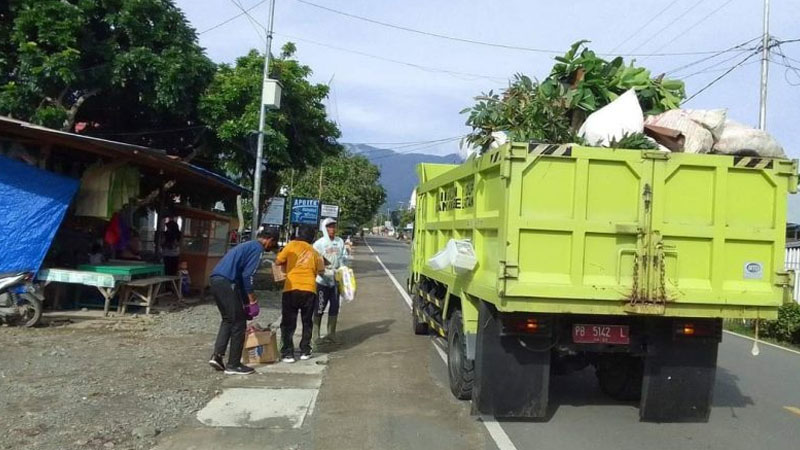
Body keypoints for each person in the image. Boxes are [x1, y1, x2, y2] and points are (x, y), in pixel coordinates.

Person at [208, 228, 280, 375]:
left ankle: (217, 355)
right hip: (228, 282)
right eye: (272, 243)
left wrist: (245, 302)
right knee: (239, 323)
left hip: (216, 280)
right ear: (269, 240)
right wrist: (252, 299)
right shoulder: (257, 248)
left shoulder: (247, 245)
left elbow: (241, 276)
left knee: (228, 319)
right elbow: (248, 276)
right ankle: (233, 364)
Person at [275, 225, 324, 363]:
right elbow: (321, 270)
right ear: (312, 237)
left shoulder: (291, 246)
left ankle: (288, 353)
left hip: (291, 287)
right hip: (309, 289)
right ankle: (305, 350)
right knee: (307, 321)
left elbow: (278, 261)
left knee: (288, 322)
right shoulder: (314, 252)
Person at [312, 218, 349, 344]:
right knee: (319, 307)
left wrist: (343, 267)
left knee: (334, 306)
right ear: (324, 228)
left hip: (336, 281)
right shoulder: (319, 244)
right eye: (329, 227)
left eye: (334, 226)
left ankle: (331, 333)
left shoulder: (340, 242)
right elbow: (315, 261)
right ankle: (316, 336)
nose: (332, 229)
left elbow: (344, 257)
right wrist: (325, 270)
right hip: (322, 281)